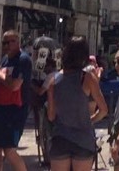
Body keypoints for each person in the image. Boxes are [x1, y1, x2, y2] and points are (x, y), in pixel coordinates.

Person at [46, 35, 108, 171]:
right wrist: (90, 120)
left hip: (60, 138)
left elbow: (51, 116)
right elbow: (104, 110)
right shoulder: (87, 78)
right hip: (83, 140)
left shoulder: (54, 81)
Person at [0, 30, 32, 171]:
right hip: (0, 108)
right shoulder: (5, 59)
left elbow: (14, 85)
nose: (7, 45)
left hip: (15, 111)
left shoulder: (23, 59)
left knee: (9, 149)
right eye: (4, 42)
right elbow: (1, 82)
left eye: (10, 41)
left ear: (18, 42)